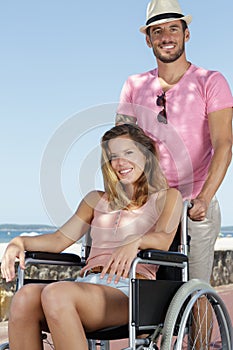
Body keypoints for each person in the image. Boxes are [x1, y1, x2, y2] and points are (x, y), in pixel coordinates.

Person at [1, 124, 183, 350]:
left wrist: (136, 241)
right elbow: (58, 240)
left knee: (57, 293)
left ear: (146, 156)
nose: (120, 162)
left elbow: (164, 239)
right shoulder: (95, 200)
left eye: (128, 153)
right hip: (88, 285)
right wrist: (19, 242)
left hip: (131, 290)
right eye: (113, 156)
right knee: (24, 296)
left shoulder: (168, 197)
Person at [116, 0, 233, 284]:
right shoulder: (134, 84)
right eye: (157, 31)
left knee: (195, 290)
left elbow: (224, 144)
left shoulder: (211, 81)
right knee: (145, 294)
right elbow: (120, 145)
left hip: (194, 204)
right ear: (148, 39)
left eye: (173, 29)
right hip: (149, 205)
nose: (166, 37)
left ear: (186, 34)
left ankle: (202, 327)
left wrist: (204, 197)